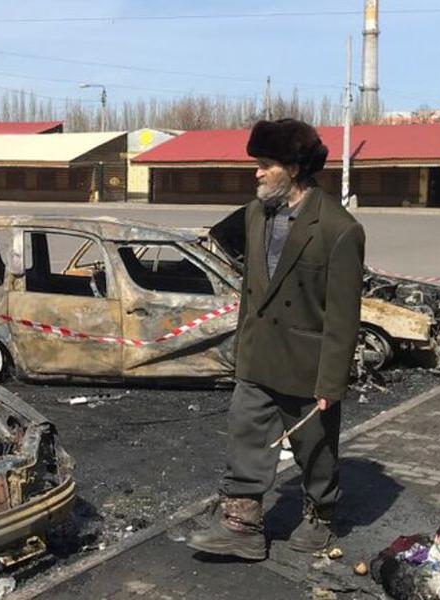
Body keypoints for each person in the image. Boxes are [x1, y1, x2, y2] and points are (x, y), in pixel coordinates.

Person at [188, 119, 365, 560]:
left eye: (266, 164)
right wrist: (241, 348)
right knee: (244, 436)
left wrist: (331, 382)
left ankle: (321, 513)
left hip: (307, 363)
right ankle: (242, 526)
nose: (257, 172)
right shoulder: (255, 214)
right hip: (258, 356)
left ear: (294, 168)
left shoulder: (339, 228)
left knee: (315, 450)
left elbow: (344, 316)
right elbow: (252, 289)